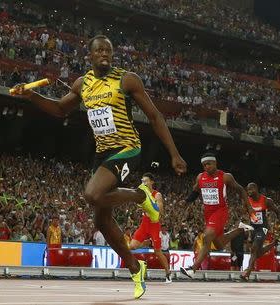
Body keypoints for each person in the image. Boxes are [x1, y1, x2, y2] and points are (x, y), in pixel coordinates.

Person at [12, 34, 187, 299]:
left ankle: (141, 196)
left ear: (112, 55)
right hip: (102, 155)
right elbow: (60, 110)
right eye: (99, 50)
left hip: (128, 149)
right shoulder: (83, 84)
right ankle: (134, 266)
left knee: (92, 194)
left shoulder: (127, 79)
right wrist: (31, 95)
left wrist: (174, 153)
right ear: (91, 55)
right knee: (101, 220)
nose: (104, 53)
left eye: (108, 50)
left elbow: (154, 116)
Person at [180, 153, 255, 278]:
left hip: (220, 211)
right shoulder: (200, 177)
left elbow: (241, 189)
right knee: (219, 244)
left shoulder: (225, 177)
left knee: (207, 237)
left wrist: (249, 206)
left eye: (209, 164)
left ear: (215, 163)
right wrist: (187, 201)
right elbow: (195, 191)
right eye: (204, 165)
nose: (206, 167)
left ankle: (193, 269)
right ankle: (241, 229)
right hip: (208, 213)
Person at [129, 173, 172, 283]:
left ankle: (168, 274)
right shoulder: (141, 193)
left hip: (154, 225)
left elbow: (160, 211)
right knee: (132, 246)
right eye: (142, 181)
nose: (144, 183)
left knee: (157, 252)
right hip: (144, 224)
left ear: (152, 182)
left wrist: (151, 207)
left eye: (146, 181)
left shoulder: (157, 195)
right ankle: (147, 242)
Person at [241, 182, 280, 281]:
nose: (249, 191)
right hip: (253, 228)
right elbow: (246, 214)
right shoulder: (247, 201)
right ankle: (272, 244)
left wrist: (279, 225)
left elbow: (278, 212)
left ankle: (248, 272)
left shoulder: (266, 200)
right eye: (247, 190)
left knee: (254, 248)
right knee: (256, 252)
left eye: (251, 189)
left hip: (262, 228)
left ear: (256, 189)